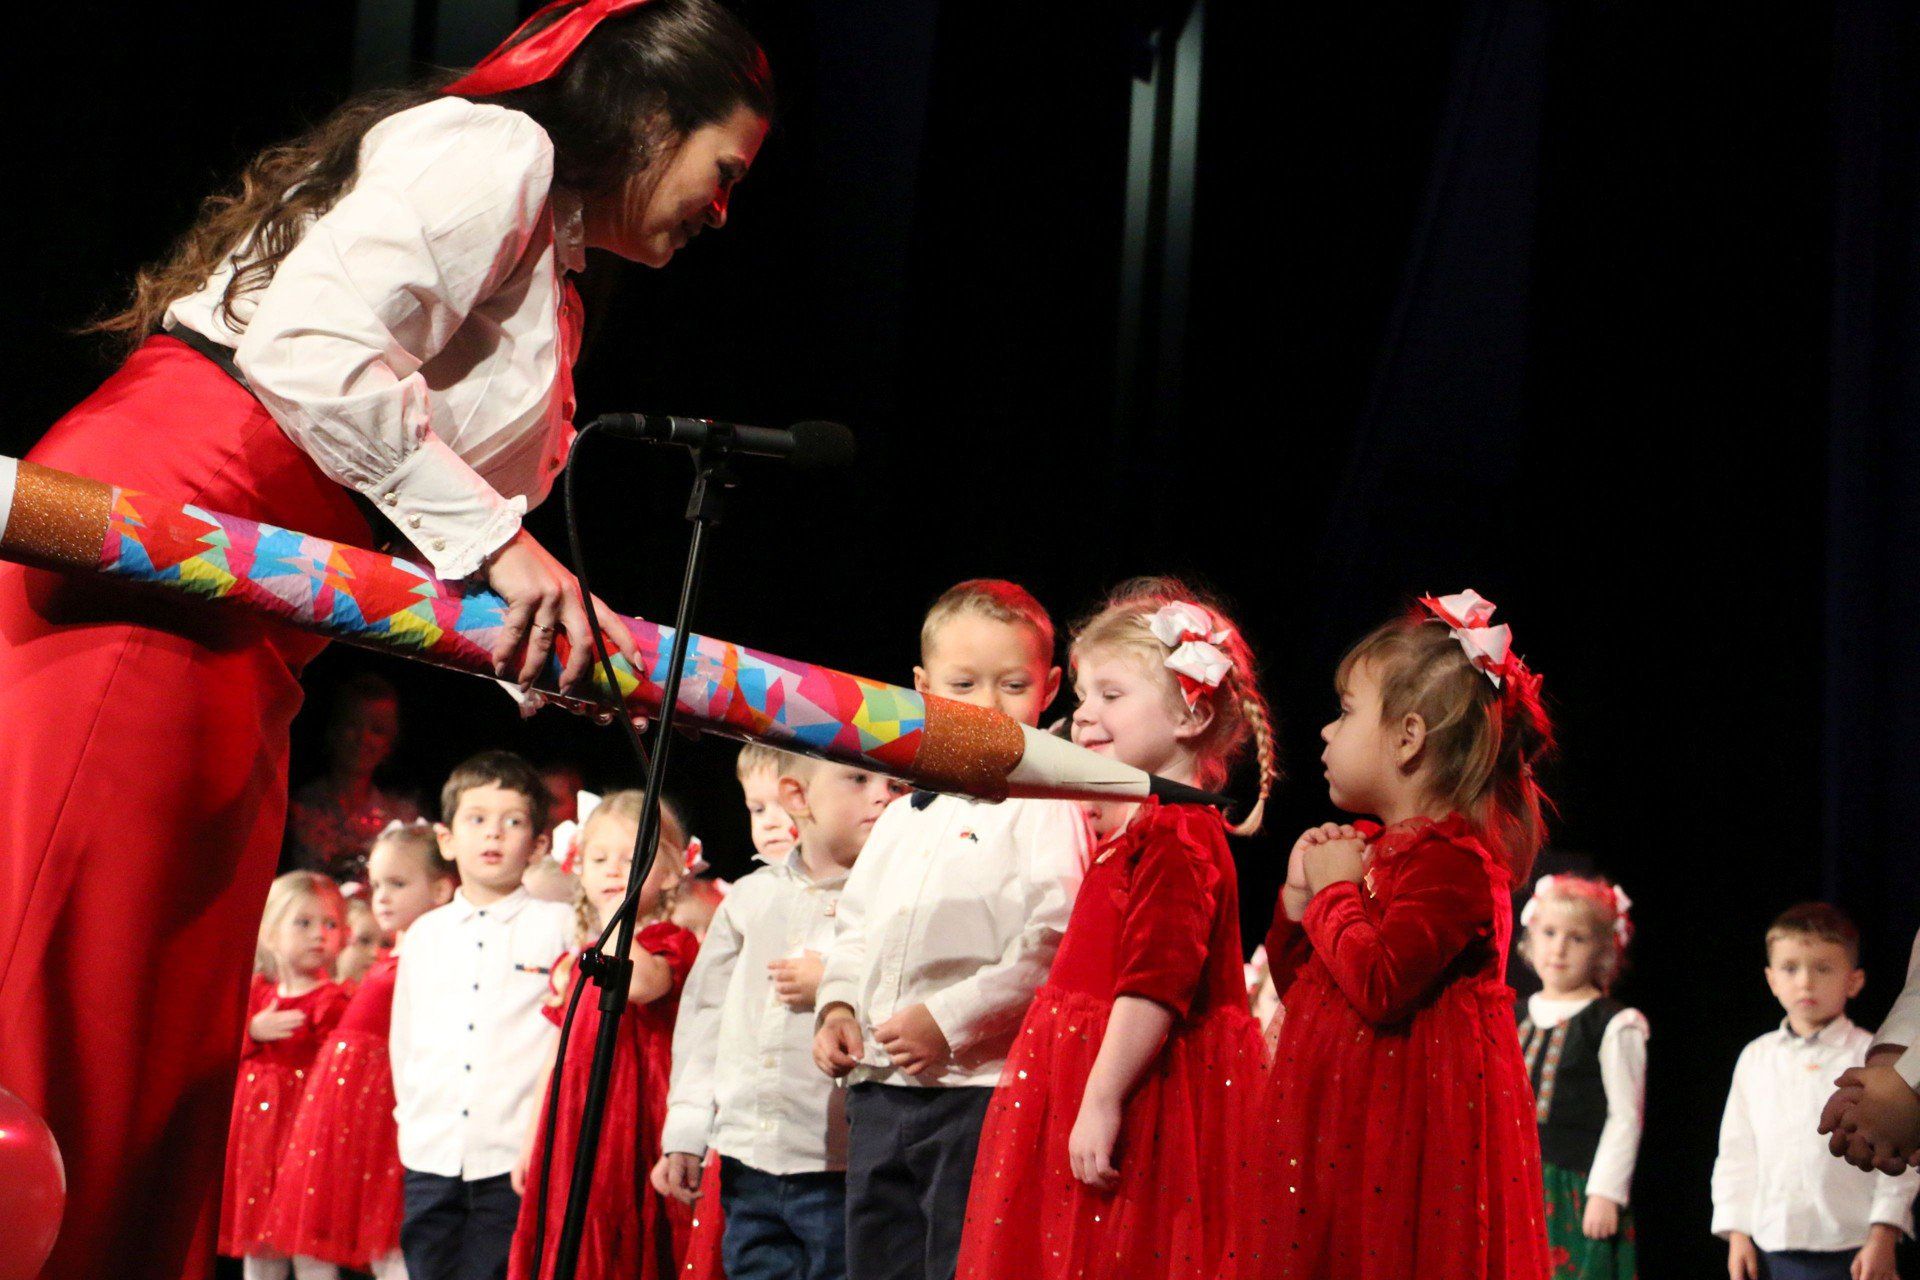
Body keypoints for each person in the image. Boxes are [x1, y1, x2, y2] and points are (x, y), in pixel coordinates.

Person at [0, 5, 773, 1275]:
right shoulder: (496, 152)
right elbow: (310, 352)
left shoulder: (555, 271)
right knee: (78, 968)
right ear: (648, 121)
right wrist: (503, 552)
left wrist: (531, 640)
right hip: (168, 545)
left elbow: (419, 497)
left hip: (256, 608)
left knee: (159, 1012)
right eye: (724, 170)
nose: (723, 209)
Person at [953, 581, 1276, 1280]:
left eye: (1110, 695)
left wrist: (1101, 1099)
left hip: (1140, 1085)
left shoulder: (1175, 834)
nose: (1082, 717)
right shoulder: (1146, 828)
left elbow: (1156, 985)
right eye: (1083, 697)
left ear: (1191, 716)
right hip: (1098, 1066)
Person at [1237, 590, 1554, 1279]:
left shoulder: (1454, 864)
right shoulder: (1375, 849)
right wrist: (1297, 904)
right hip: (1340, 1134)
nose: (1325, 732)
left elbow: (1381, 985)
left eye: (1346, 713)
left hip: (1406, 1149)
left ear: (1408, 738)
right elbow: (1314, 996)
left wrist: (1335, 895)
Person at [811, 579, 1091, 1280]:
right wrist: (838, 1004)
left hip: (977, 1090)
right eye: (963, 684)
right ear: (921, 686)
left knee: (961, 1264)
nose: (989, 707)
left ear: (1050, 687)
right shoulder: (903, 812)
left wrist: (949, 1019)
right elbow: (856, 926)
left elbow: (1054, 942)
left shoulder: (1046, 806)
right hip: (878, 1089)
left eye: (1013, 684)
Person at [657, 756, 900, 1280]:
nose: (883, 794)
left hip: (838, 1164)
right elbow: (706, 1019)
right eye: (859, 779)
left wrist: (835, 984)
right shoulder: (750, 898)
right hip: (749, 1159)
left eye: (894, 783)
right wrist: (687, 1129)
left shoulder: (894, 899)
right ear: (799, 797)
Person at [392, 752, 574, 1280]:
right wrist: (414, 1118)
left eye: (513, 822)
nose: (493, 834)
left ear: (539, 844)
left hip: (512, 1156)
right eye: (477, 820)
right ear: (447, 839)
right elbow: (406, 1037)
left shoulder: (559, 924)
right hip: (432, 1151)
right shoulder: (426, 932)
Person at [508, 790, 700, 1280]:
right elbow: (557, 1054)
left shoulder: (672, 943)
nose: (615, 870)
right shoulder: (581, 958)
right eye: (600, 859)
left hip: (634, 1117)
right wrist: (533, 1141)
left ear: (673, 870)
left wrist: (621, 916)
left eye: (634, 859)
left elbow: (641, 984)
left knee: (625, 1234)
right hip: (575, 1118)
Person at [262, 820, 457, 1278]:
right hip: (342, 1113)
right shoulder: (392, 956)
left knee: (388, 1238)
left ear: (441, 889)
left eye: (397, 884)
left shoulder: (429, 957)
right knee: (316, 1235)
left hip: (382, 1115)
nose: (381, 897)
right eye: (377, 885)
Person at [1718, 904, 1916, 1280]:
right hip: (1774, 1240)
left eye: (1823, 968)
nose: (1805, 982)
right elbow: (1736, 1151)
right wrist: (1736, 1232)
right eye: (1790, 968)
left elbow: (1898, 1150)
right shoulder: (1756, 1057)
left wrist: (1884, 1232)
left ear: (1853, 981)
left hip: (1854, 1242)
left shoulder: (1873, 1054)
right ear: (1771, 979)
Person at [1515, 875, 1649, 1280]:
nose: (1558, 948)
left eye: (1576, 939)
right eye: (1550, 933)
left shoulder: (1612, 1023)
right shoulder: (1509, 1013)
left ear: (1601, 951)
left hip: (1574, 1188)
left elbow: (1625, 1115)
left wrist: (1606, 1192)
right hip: (1515, 1180)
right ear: (1531, 938)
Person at [221, 872, 353, 1277]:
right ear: (272, 931)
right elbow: (221, 1050)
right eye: (304, 923)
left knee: (311, 1244)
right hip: (258, 1146)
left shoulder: (333, 1000)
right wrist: (251, 1032)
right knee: (259, 1248)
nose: (320, 935)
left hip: (307, 1140)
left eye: (330, 924)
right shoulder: (256, 995)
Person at [288, 672, 420, 884]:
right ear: (333, 729)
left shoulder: (404, 817)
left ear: (390, 743)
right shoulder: (295, 809)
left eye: (377, 730)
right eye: (352, 725)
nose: (363, 739)